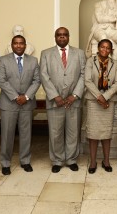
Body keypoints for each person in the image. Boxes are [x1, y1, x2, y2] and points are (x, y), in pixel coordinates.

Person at [40, 27, 86, 173]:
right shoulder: (46, 54)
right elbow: (44, 76)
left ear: (68, 37)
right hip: (55, 102)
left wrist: (75, 95)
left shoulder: (79, 53)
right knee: (55, 133)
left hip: (74, 101)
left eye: (65, 35)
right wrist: (56, 96)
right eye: (59, 35)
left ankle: (72, 159)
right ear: (55, 37)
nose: (62, 37)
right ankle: (57, 160)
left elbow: (84, 75)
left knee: (73, 132)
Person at [0, 35, 40, 175]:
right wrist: (16, 97)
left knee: (26, 134)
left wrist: (26, 96)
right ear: (12, 45)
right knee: (7, 135)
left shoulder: (33, 61)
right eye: (16, 43)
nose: (19, 46)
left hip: (27, 104)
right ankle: (5, 163)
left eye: (21, 43)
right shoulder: (3, 60)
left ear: (25, 45)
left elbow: (37, 80)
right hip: (9, 103)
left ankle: (25, 161)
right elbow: (1, 80)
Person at [84, 39, 117, 174]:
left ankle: (106, 161)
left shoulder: (115, 63)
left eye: (108, 48)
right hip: (93, 101)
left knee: (106, 133)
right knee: (93, 133)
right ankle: (93, 162)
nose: (105, 50)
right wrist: (99, 97)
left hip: (108, 102)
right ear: (98, 48)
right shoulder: (90, 61)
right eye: (102, 47)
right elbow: (87, 80)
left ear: (111, 50)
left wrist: (105, 97)